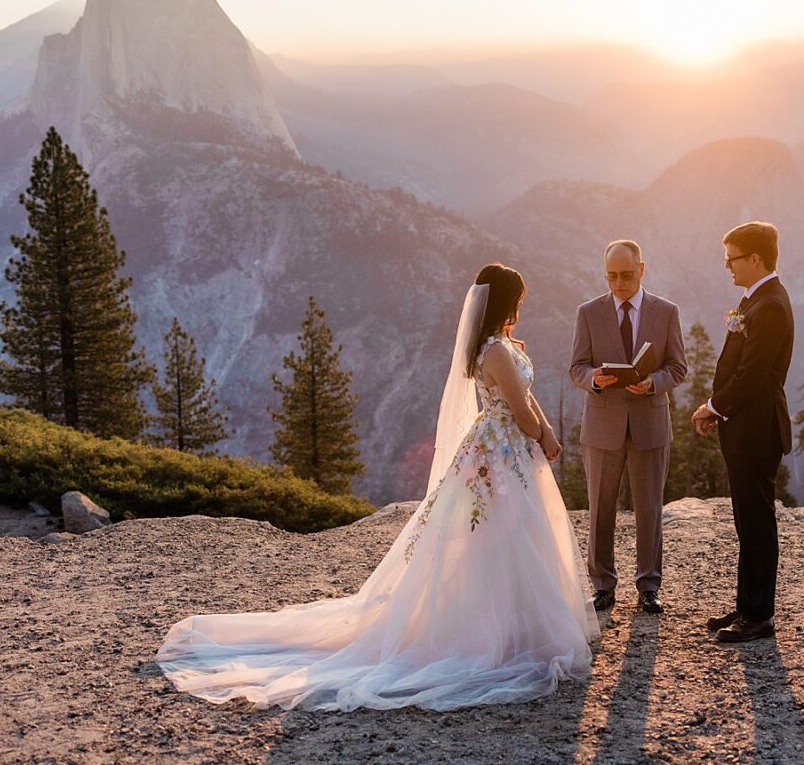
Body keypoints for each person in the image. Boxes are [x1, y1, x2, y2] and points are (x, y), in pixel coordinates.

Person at [156, 263, 600, 710]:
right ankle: (497, 631)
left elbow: (527, 399)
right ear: (506, 301)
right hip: (502, 451)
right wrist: (542, 435)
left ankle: (513, 623)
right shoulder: (496, 352)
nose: (522, 308)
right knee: (502, 536)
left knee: (507, 536)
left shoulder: (502, 346)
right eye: (519, 301)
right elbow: (520, 410)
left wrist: (546, 432)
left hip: (504, 449)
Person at [568, 239, 687, 614]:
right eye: (611, 276)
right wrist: (594, 379)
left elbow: (678, 367)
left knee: (650, 508)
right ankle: (602, 585)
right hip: (603, 425)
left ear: (641, 269)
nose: (618, 283)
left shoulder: (666, 312)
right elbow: (576, 367)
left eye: (625, 275)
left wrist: (654, 382)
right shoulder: (588, 313)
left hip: (650, 423)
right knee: (600, 507)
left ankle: (649, 587)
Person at [692, 221, 795, 643]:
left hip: (757, 431)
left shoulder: (769, 305)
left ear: (755, 259)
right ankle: (747, 605)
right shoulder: (754, 299)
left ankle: (760, 617)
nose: (727, 267)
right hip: (743, 428)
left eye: (732, 259)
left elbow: (753, 375)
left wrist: (713, 406)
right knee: (746, 521)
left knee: (756, 522)